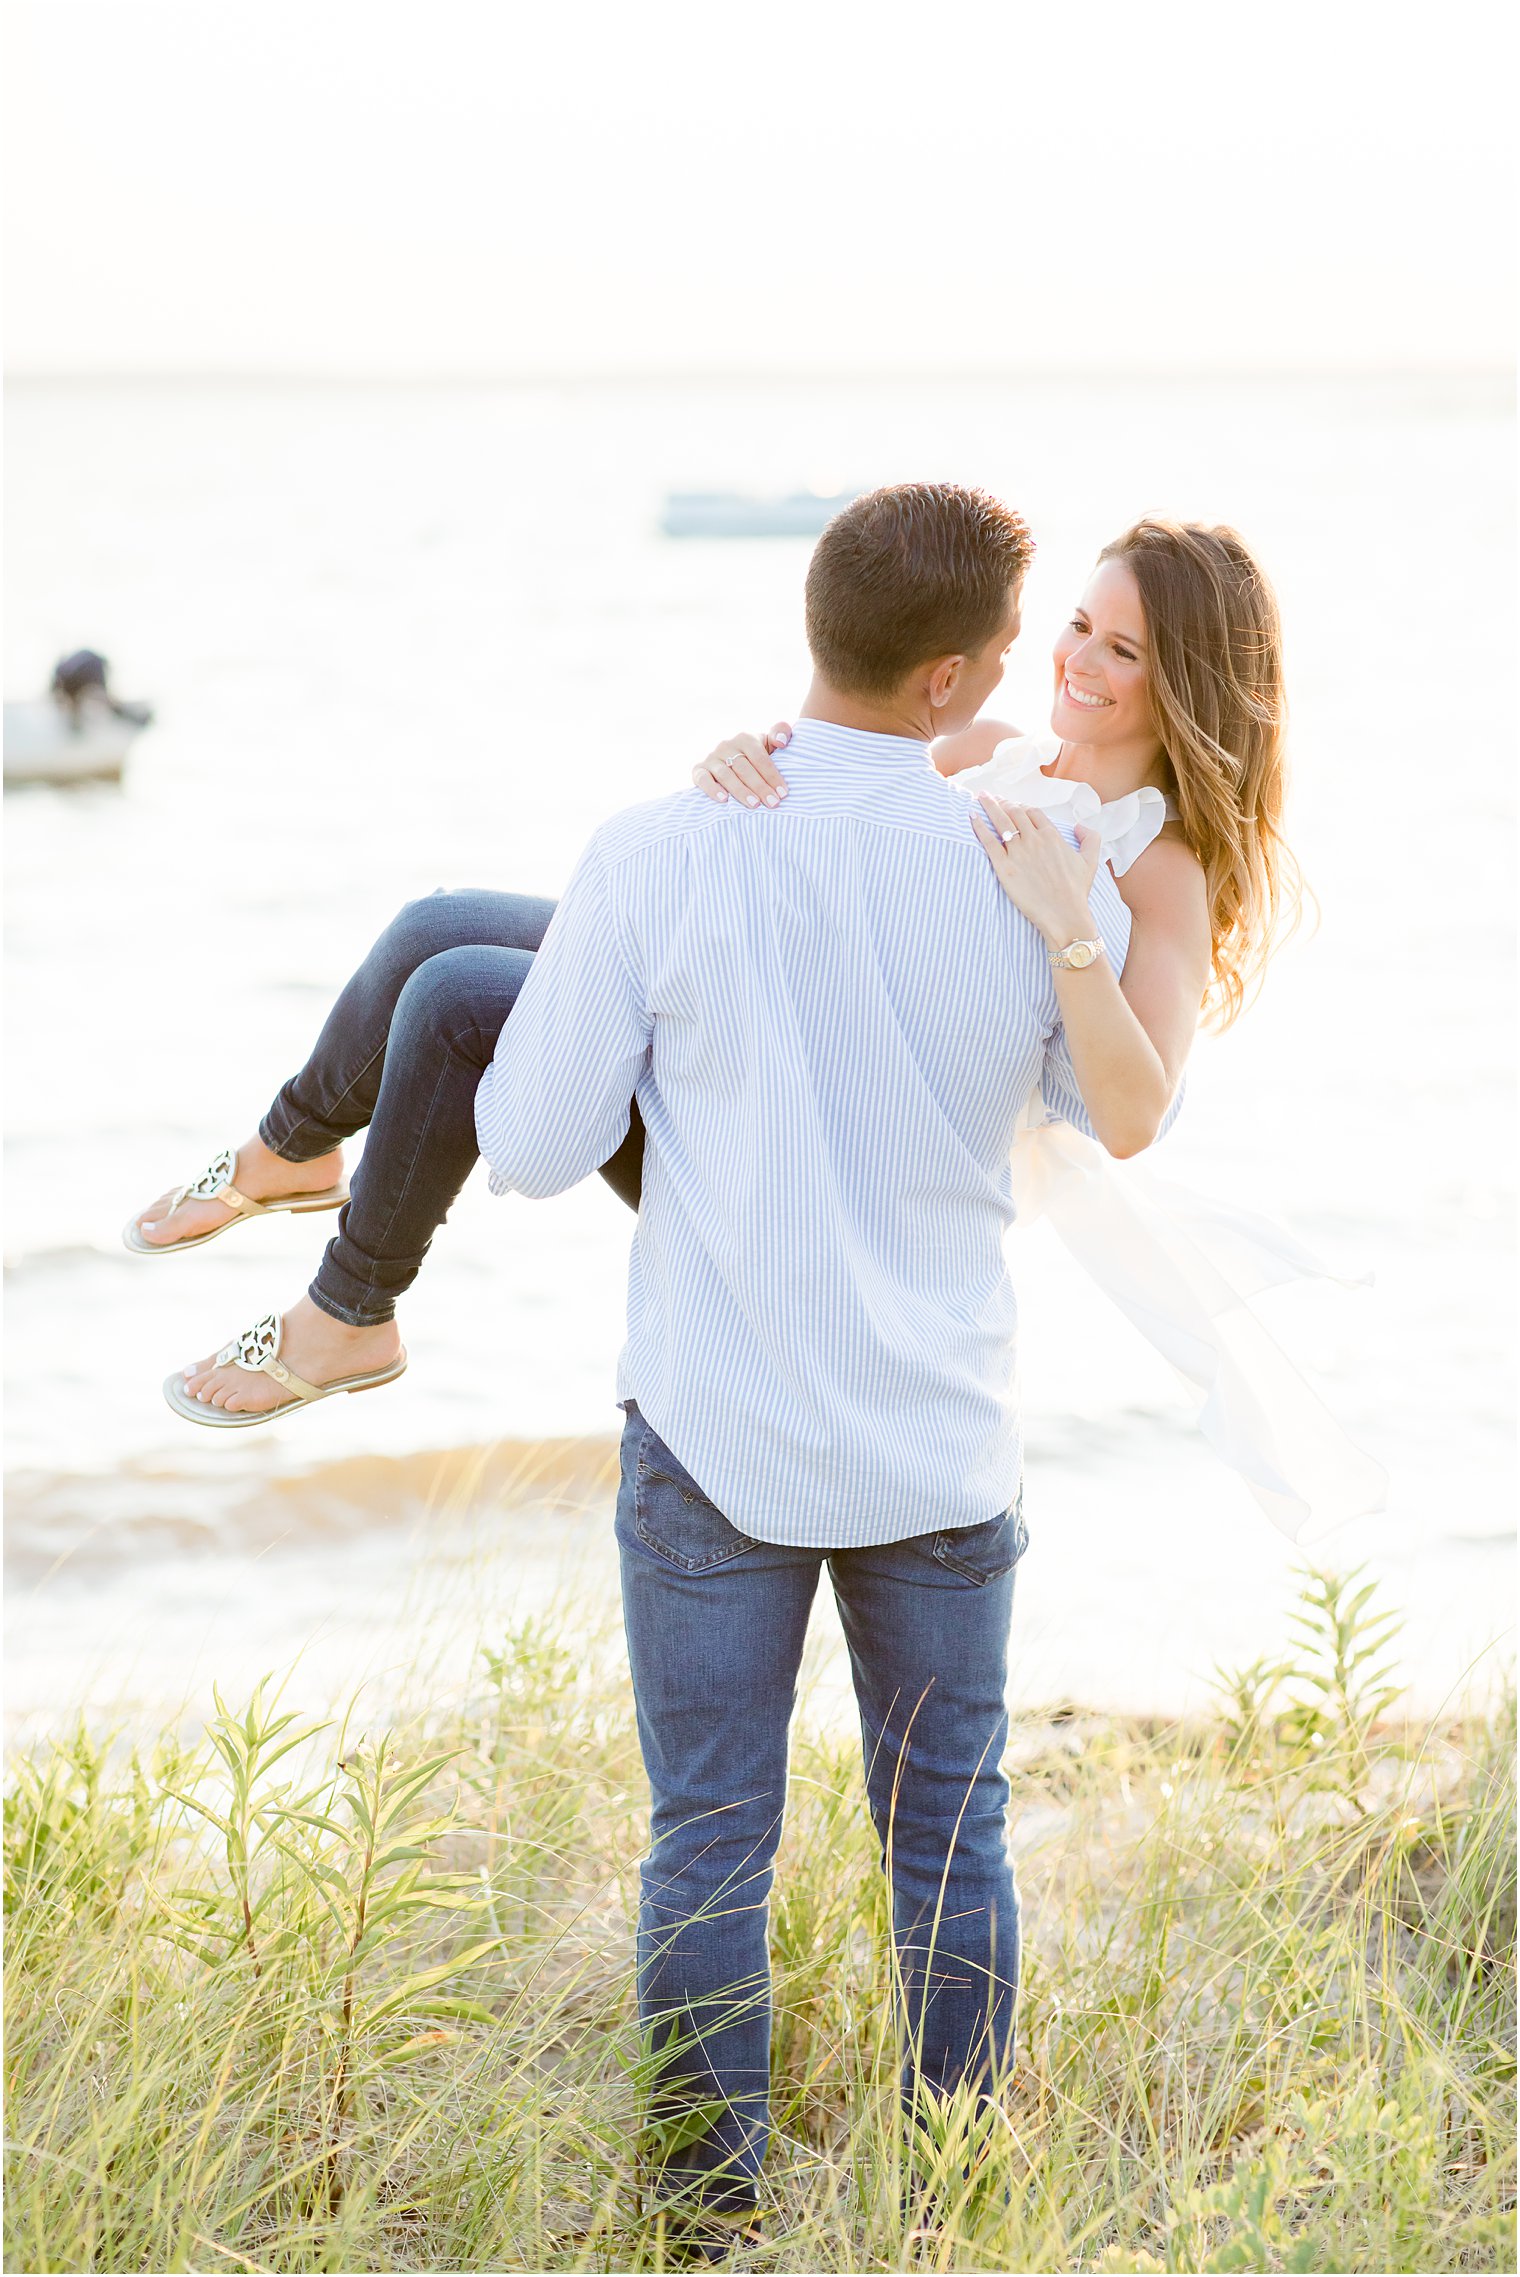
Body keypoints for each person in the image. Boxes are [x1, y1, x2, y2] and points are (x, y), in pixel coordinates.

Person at [124, 483, 1301, 2237]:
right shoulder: (1004, 749)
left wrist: (1060, 917)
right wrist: (757, 756)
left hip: (780, 1314)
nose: (1080, 661)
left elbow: (1127, 1113)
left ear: (1191, 685)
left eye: (1122, 649)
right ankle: (301, 1164)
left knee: (864, 1843)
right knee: (455, 931)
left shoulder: (1152, 860)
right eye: (1078, 625)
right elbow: (866, 734)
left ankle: (335, 1275)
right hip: (911, 1377)